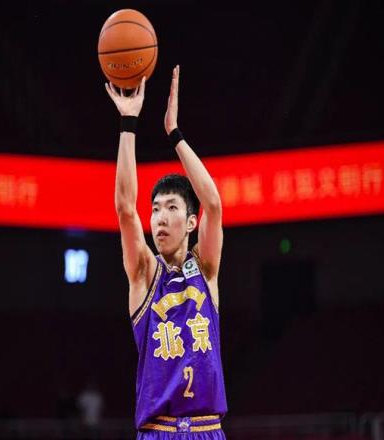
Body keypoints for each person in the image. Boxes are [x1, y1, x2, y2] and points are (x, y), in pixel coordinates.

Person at [105, 65, 228, 439]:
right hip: (159, 430)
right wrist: (128, 123)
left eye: (171, 208)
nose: (159, 217)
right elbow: (125, 208)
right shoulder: (144, 272)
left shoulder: (206, 269)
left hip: (207, 429)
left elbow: (213, 204)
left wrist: (174, 134)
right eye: (155, 208)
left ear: (190, 222)